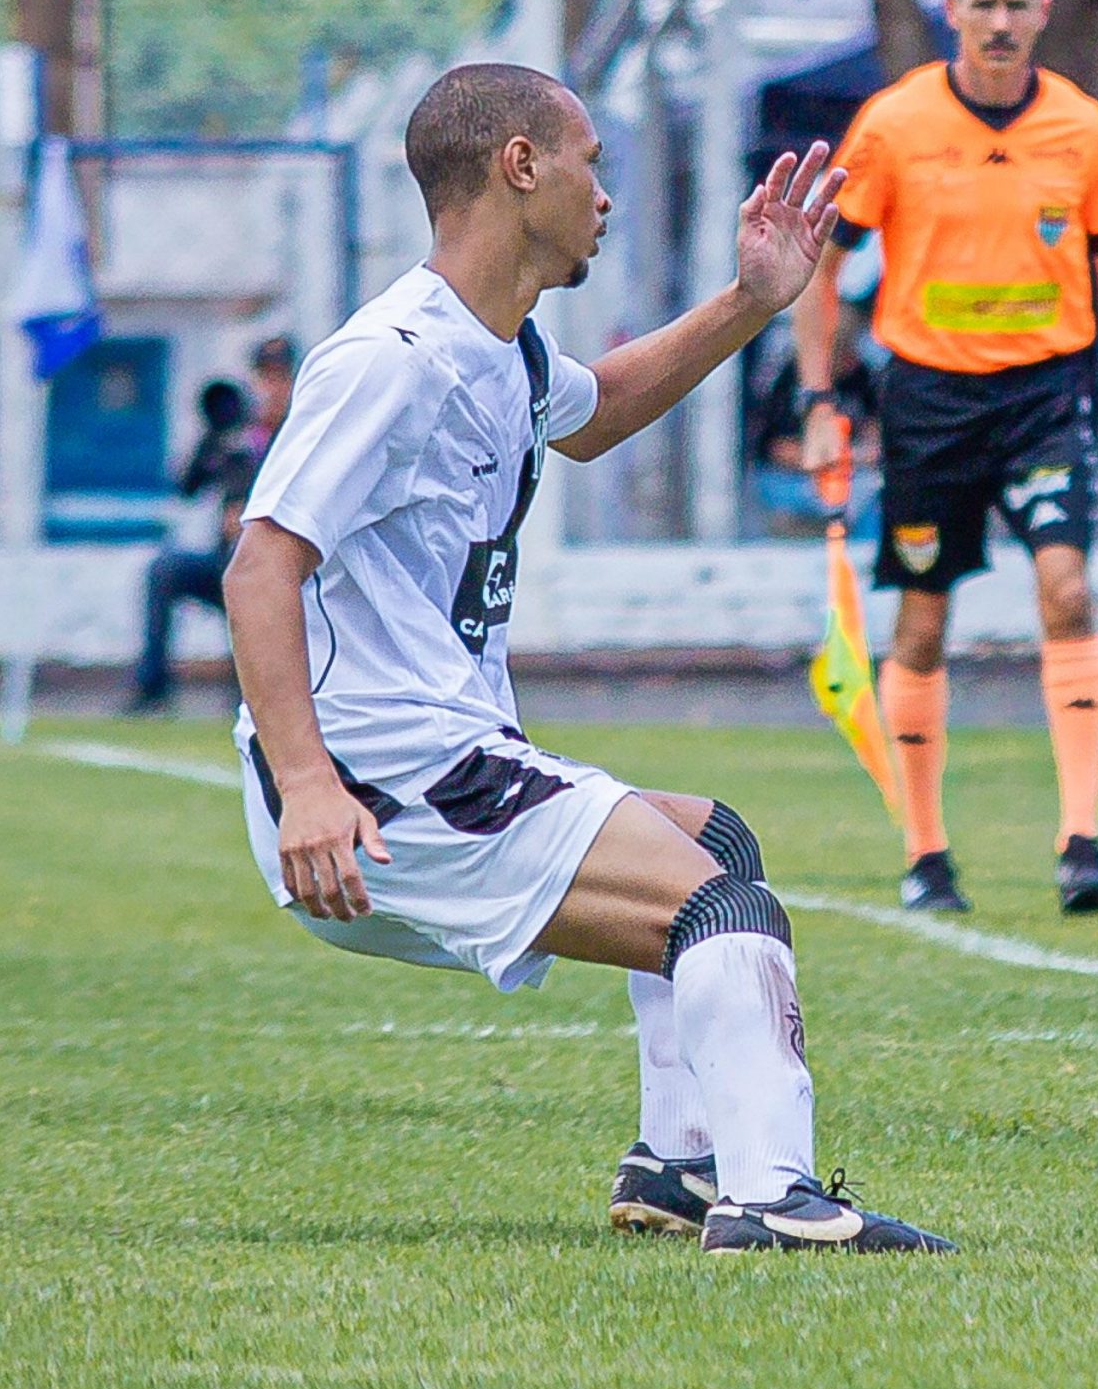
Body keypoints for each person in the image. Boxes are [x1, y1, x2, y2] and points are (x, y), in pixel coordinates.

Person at [221, 61, 949, 1254]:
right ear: (520, 166)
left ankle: (680, 1164)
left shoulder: (498, 349)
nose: (602, 194)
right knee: (725, 907)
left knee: (712, 844)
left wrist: (750, 299)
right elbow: (261, 566)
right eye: (590, 163)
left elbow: (596, 409)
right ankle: (774, 1199)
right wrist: (309, 781)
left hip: (432, 759)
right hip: (382, 779)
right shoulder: (390, 356)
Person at [793, 0, 1098, 918]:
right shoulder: (896, 123)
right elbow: (820, 265)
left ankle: (1081, 840)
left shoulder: (1082, 128)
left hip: (1046, 398)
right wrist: (821, 401)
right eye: (981, 4)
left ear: (1041, 14)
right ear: (954, 14)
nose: (998, 22)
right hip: (928, 404)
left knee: (1067, 590)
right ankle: (925, 852)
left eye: (1016, 5)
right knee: (922, 618)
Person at [124, 335, 297, 714]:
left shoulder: (299, 434)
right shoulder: (235, 436)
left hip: (278, 566)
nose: (270, 389)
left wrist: (256, 519)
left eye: (278, 379)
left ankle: (253, 695)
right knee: (164, 570)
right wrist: (214, 433)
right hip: (227, 561)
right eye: (263, 378)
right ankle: (152, 687)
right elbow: (186, 486)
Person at [748, 301, 882, 535]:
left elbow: (874, 432)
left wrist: (868, 450)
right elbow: (775, 449)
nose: (851, 362)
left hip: (849, 480)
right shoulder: (787, 379)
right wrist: (835, 458)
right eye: (843, 355)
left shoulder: (861, 375)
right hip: (791, 479)